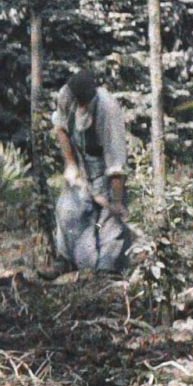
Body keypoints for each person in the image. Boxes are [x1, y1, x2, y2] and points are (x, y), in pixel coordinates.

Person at [49, 68, 134, 274]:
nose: (82, 106)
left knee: (110, 225)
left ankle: (108, 271)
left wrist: (114, 201)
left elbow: (116, 164)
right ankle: (65, 260)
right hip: (79, 163)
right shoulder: (66, 96)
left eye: (85, 102)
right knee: (67, 209)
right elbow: (61, 129)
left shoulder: (108, 109)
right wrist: (71, 164)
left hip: (103, 168)